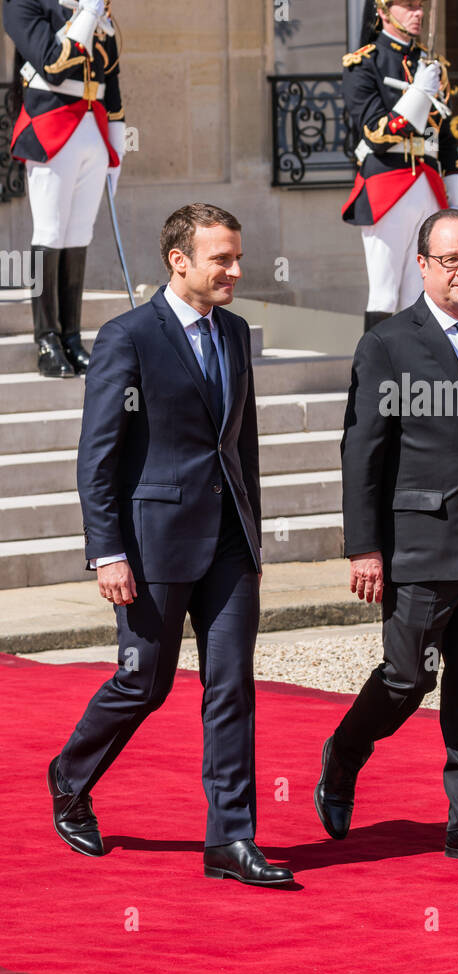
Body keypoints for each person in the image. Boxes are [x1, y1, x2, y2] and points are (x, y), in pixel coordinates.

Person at [47, 203, 294, 888]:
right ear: (178, 260)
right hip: (152, 545)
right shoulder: (128, 337)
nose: (235, 271)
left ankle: (231, 840)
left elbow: (239, 446)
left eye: (238, 256)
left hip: (228, 548)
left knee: (231, 689)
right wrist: (108, 551)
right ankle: (70, 775)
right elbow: (98, 455)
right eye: (222, 258)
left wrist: (253, 537)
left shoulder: (237, 333)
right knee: (143, 682)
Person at [315, 209, 458, 869]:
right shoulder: (388, 344)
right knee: (406, 675)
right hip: (419, 542)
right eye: (449, 260)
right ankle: (345, 752)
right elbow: (362, 452)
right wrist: (364, 547)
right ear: (420, 265)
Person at [2, 0, 125, 378]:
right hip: (52, 126)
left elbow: (112, 69)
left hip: (92, 127)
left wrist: (116, 135)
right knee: (48, 232)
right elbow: (52, 65)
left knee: (79, 234)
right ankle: (45, 338)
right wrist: (85, 21)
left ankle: (74, 336)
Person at [341, 0, 458, 330]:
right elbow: (376, 132)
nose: (417, 12)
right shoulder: (364, 64)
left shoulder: (431, 65)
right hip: (387, 182)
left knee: (425, 293)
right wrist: (417, 93)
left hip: (428, 183)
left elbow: (446, 141)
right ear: (383, 10)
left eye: (419, 4)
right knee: (385, 290)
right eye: (406, 4)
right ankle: (373, 384)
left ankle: (418, 382)